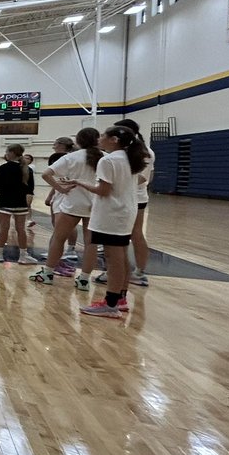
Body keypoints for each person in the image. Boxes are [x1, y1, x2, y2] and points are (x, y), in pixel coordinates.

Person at [71, 125, 150, 318]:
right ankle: (120, 299)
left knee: (113, 259)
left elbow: (103, 190)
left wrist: (80, 182)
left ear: (114, 140)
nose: (100, 138)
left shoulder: (108, 160)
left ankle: (111, 304)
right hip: (126, 211)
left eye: (104, 136)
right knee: (121, 256)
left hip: (111, 214)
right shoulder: (130, 158)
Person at [29, 128, 102, 289]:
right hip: (97, 203)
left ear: (79, 141)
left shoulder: (71, 157)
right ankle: (84, 280)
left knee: (58, 238)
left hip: (73, 203)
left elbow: (46, 174)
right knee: (91, 244)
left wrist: (60, 189)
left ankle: (47, 273)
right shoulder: (104, 158)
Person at [96, 118, 154, 287]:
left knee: (132, 235)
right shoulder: (125, 153)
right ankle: (117, 276)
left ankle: (138, 273)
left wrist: (118, 186)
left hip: (131, 199)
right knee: (119, 240)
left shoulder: (143, 152)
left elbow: (144, 178)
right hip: (125, 198)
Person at [0, 143, 37, 264]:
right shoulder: (28, 169)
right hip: (21, 203)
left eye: (7, 151)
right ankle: (23, 255)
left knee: (4, 229)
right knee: (21, 229)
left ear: (11, 153)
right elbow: (30, 189)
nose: (5, 154)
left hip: (5, 202)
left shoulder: (4, 168)